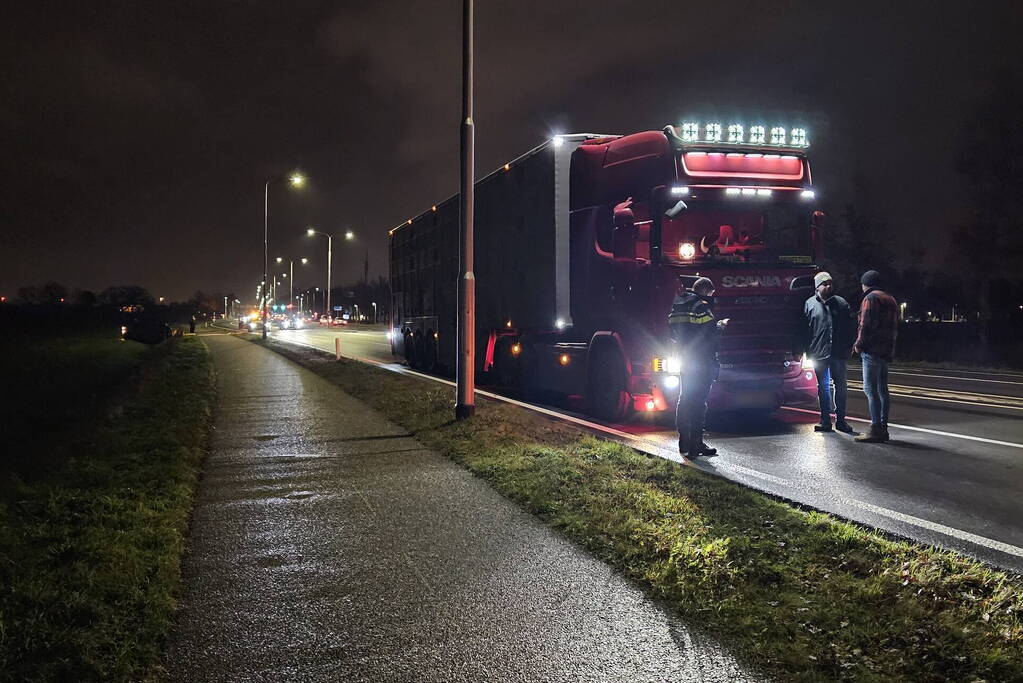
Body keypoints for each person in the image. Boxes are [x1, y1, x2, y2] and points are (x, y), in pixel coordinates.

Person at [668, 276, 728, 458]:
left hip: (685, 359)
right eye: (711, 293)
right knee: (698, 402)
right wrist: (720, 325)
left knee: (685, 398)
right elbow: (709, 333)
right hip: (701, 361)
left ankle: (684, 441)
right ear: (705, 291)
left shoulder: (678, 305)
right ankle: (696, 444)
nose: (711, 297)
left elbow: (673, 330)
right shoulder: (700, 307)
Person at [804, 271, 854, 433]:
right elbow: (805, 329)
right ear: (817, 287)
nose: (829, 286)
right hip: (818, 352)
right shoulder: (810, 304)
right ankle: (825, 420)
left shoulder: (841, 303)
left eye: (830, 283)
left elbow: (849, 328)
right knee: (823, 387)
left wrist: (849, 347)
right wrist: (804, 350)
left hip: (838, 352)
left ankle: (841, 420)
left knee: (840, 386)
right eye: (825, 284)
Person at [853, 270, 898, 443]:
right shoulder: (891, 299)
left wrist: (858, 344)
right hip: (886, 350)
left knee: (870, 389)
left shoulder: (870, 298)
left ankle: (875, 428)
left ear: (865, 283)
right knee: (882, 390)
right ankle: (883, 428)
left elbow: (866, 325)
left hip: (871, 350)